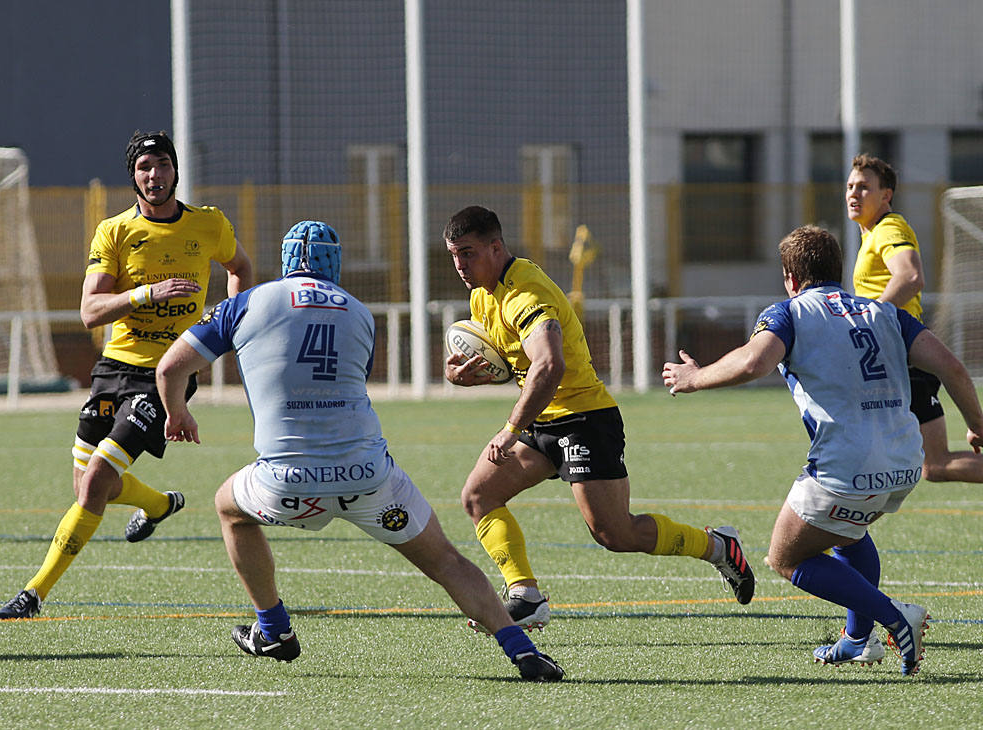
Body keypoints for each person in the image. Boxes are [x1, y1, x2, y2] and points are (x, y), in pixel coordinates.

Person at [153, 220, 564, 682]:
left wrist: (177, 414)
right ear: (335, 261)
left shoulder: (246, 303)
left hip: (286, 483)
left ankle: (273, 629)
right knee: (447, 561)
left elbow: (169, 369)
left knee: (229, 509)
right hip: (368, 478)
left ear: (285, 260)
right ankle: (523, 652)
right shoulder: (359, 313)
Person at [662, 224, 983, 676]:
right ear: (839, 270)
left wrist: (695, 377)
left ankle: (895, 618)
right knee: (847, 533)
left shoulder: (790, 313)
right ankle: (857, 640)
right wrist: (978, 426)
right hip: (905, 462)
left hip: (846, 466)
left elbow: (754, 361)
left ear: (791, 278)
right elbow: (952, 367)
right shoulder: (885, 312)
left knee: (785, 557)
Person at [443, 205, 755, 633]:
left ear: (496, 248)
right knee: (479, 496)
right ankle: (525, 596)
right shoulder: (482, 294)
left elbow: (549, 365)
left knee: (616, 534)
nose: (460, 265)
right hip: (541, 420)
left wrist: (511, 430)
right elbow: (510, 360)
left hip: (584, 420)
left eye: (468, 253)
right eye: (454, 255)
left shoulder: (526, 294)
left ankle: (719, 546)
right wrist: (460, 375)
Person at [0, 130, 253, 620]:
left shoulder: (209, 223)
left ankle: (33, 594)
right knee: (87, 487)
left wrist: (225, 324)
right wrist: (147, 294)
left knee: (97, 479)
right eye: (144, 167)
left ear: (176, 169)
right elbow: (90, 311)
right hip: (113, 369)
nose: (155, 175)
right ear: (133, 177)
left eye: (163, 164)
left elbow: (239, 266)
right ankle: (158, 505)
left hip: (167, 372)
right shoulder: (114, 231)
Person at [848, 153, 983, 484]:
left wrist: (870, 319)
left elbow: (909, 276)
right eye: (850, 186)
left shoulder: (889, 227)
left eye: (864, 187)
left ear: (886, 195)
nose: (853, 193)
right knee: (928, 465)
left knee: (933, 464)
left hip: (902, 353)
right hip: (892, 357)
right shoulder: (871, 234)